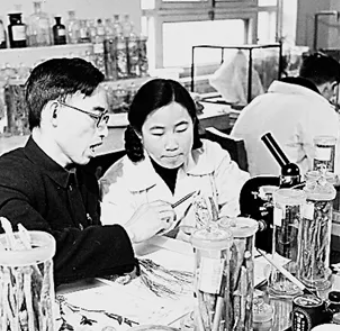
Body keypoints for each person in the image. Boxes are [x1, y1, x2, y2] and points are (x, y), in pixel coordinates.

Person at [0, 58, 176, 315]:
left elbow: (84, 253)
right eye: (96, 117)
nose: (104, 131)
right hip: (3, 324)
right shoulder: (0, 181)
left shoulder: (81, 172)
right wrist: (129, 233)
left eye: (105, 119)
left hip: (68, 310)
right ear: (54, 113)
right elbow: (40, 259)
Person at [100, 78, 249, 235]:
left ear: (193, 123)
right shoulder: (117, 183)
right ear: (139, 133)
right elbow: (119, 241)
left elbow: (239, 200)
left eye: (181, 130)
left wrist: (225, 224)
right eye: (158, 133)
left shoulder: (212, 156)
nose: (172, 145)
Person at [231, 52, 340, 177]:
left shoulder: (259, 101)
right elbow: (331, 173)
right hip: (283, 187)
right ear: (330, 87)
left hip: (245, 185)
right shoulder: (318, 109)